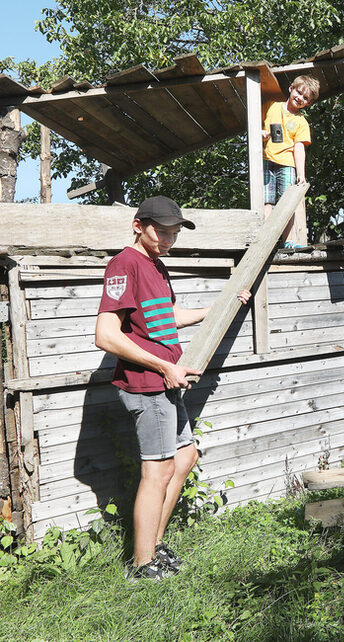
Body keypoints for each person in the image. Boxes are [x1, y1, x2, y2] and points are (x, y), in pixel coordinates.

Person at [95, 196, 251, 580]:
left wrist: (221, 307)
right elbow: (105, 335)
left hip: (165, 382)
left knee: (184, 459)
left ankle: (155, 544)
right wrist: (164, 365)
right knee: (158, 469)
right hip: (147, 384)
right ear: (138, 225)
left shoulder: (156, 265)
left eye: (174, 233)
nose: (168, 239)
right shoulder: (125, 264)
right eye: (161, 231)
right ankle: (141, 564)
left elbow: (169, 317)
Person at [262, 74, 320, 248]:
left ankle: (288, 240)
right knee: (267, 201)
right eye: (299, 92)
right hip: (267, 160)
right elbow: (258, 127)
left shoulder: (301, 122)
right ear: (291, 88)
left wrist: (301, 174)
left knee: (287, 203)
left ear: (308, 103)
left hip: (287, 163)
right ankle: (266, 240)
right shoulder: (272, 107)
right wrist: (261, 134)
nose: (300, 98)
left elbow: (299, 148)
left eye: (305, 98)